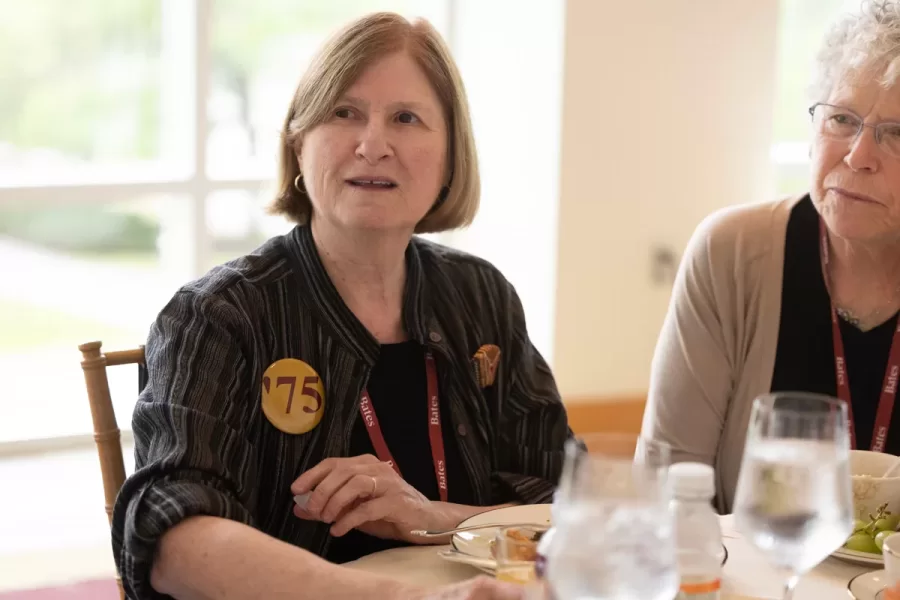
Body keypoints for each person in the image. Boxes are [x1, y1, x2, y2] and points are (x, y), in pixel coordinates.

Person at [110, 11, 570, 600]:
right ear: (298, 143)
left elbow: (565, 503)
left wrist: (433, 517)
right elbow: (173, 541)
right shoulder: (219, 314)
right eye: (343, 113)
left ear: (451, 156)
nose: (373, 145)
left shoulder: (480, 297)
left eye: (406, 118)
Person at [640, 0, 900, 514]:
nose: (858, 156)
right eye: (843, 119)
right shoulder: (731, 254)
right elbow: (665, 492)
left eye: (897, 135)